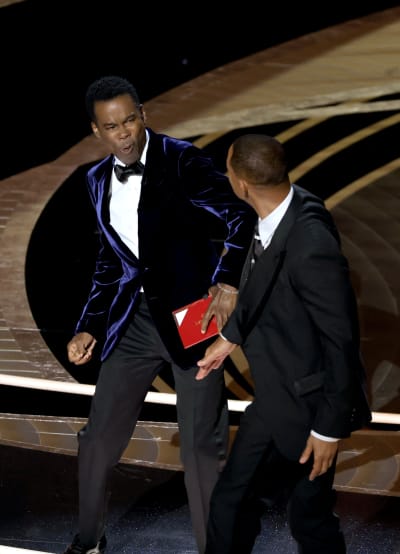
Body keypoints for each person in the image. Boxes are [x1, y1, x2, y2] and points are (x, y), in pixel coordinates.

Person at [63, 75, 257, 554]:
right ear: (96, 131)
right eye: (112, 127)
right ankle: (88, 540)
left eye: (130, 120)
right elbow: (111, 261)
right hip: (132, 323)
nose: (124, 133)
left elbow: (241, 215)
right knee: (98, 439)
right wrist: (90, 323)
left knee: (200, 449)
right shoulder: (93, 181)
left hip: (193, 319)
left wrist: (228, 280)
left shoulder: (181, 159)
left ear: (143, 114)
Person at [196, 134, 372, 553]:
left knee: (303, 518)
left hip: (306, 408)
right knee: (238, 504)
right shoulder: (293, 206)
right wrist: (230, 336)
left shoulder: (311, 244)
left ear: (241, 184)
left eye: (228, 167)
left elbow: (341, 339)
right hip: (278, 393)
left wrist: (328, 430)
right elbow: (264, 279)